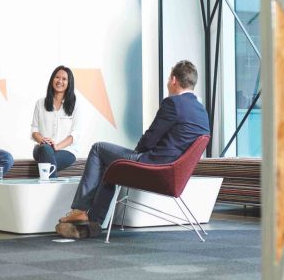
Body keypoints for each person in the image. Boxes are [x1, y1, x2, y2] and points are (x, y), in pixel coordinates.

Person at [57, 60, 210, 238]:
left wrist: (137, 153)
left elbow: (149, 140)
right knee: (113, 164)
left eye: (169, 79)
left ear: (174, 80)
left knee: (98, 149)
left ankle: (80, 209)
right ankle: (93, 224)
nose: (168, 82)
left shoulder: (173, 104)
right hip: (175, 171)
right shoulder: (202, 111)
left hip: (155, 166)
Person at [31, 66, 81, 178]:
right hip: (42, 149)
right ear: (52, 80)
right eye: (57, 77)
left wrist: (57, 146)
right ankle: (51, 189)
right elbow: (34, 130)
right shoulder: (40, 103)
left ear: (69, 83)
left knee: (46, 162)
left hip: (67, 151)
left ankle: (46, 186)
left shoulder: (75, 104)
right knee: (46, 150)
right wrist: (42, 140)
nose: (60, 81)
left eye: (64, 79)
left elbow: (75, 134)